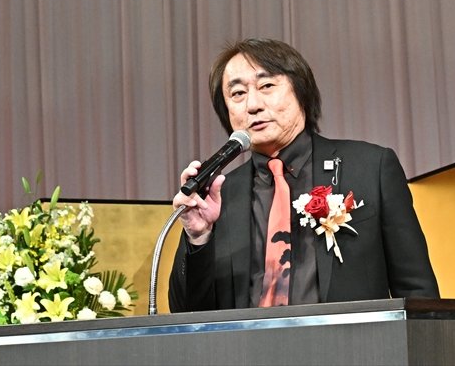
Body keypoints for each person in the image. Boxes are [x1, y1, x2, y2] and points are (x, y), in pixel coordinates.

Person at [169, 38, 439, 312]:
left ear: (301, 90)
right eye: (237, 93)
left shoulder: (370, 168)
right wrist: (198, 237)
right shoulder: (219, 195)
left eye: (266, 86)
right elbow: (185, 314)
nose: (253, 105)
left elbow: (418, 291)